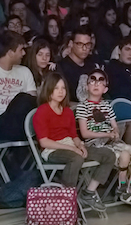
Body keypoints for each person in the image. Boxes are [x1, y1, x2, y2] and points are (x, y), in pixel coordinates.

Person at [32, 73, 112, 212]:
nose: (61, 91)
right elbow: (44, 142)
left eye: (63, 88)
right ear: (49, 89)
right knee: (76, 158)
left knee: (108, 154)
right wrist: (73, 149)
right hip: (52, 149)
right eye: (56, 88)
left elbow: (74, 136)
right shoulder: (42, 111)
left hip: (70, 145)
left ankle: (89, 193)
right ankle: (68, 199)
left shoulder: (68, 111)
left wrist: (80, 145)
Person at [75, 69, 131, 206]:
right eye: (92, 80)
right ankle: (122, 188)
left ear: (105, 88)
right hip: (96, 144)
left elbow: (115, 126)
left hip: (111, 142)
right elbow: (85, 134)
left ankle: (130, 188)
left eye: (100, 81)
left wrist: (115, 132)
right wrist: (107, 134)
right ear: (87, 86)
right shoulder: (82, 107)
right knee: (124, 155)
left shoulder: (107, 105)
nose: (96, 84)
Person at [56, 26, 102, 104]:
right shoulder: (60, 67)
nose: (84, 48)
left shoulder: (92, 66)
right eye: (80, 44)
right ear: (71, 44)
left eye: (88, 44)